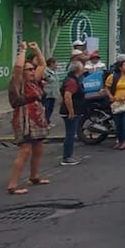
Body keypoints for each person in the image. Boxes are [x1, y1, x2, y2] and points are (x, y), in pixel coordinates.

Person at [6, 41, 50, 195]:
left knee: (38, 147)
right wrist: (23, 50)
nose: (32, 71)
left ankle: (34, 176)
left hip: (37, 118)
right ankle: (13, 184)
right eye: (29, 69)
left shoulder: (33, 82)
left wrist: (37, 49)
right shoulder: (18, 84)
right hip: (24, 119)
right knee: (25, 150)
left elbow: (43, 65)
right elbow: (18, 68)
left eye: (32, 69)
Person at [58, 60, 85, 166]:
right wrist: (71, 111)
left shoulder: (72, 80)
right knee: (70, 134)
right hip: (70, 112)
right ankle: (67, 157)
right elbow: (67, 96)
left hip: (73, 110)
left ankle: (69, 155)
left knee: (71, 134)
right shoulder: (72, 82)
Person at [42, 57, 60, 127]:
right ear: (51, 64)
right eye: (56, 63)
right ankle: (45, 123)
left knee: (51, 109)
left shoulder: (55, 72)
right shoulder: (45, 71)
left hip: (53, 94)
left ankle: (48, 121)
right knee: (46, 109)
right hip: (47, 93)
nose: (57, 65)